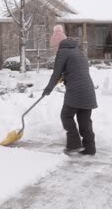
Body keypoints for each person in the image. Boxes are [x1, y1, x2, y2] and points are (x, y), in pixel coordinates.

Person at [42, 25, 98, 155]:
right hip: (88, 90)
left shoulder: (63, 52)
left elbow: (56, 73)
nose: (55, 50)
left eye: (54, 47)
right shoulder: (78, 51)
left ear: (57, 44)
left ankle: (74, 144)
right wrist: (66, 76)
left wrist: (48, 89)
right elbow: (78, 70)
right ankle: (90, 148)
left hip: (76, 91)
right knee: (84, 121)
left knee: (66, 115)